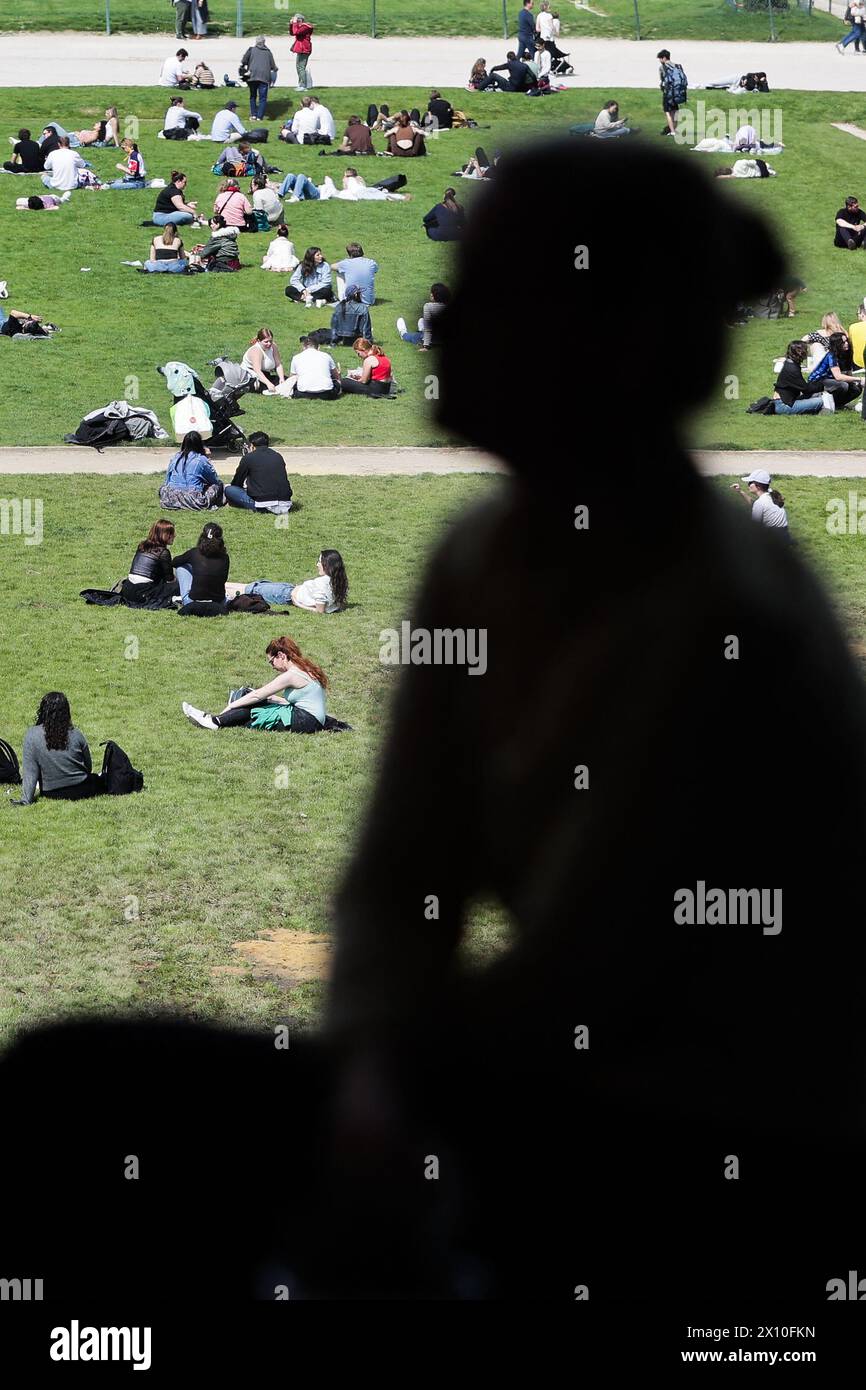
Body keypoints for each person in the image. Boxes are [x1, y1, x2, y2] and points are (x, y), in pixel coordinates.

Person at [324, 136, 866, 1306]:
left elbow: (581, 977)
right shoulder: (476, 557)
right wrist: (368, 1054)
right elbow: (393, 878)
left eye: (491, 290)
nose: (447, 318)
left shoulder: (725, 619)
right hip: (566, 1087)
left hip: (728, 1155)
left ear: (606, 344)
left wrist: (382, 1091)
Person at [183, 635, 329, 733]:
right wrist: (272, 699)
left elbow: (259, 694)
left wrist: (231, 705)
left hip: (306, 721)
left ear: (281, 655)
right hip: (311, 719)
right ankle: (215, 720)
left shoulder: (291, 675)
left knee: (254, 708)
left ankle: (214, 721)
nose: (272, 666)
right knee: (259, 708)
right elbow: (301, 700)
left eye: (271, 661)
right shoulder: (305, 668)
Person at [15, 694, 108, 804]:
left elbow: (30, 772)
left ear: (43, 710)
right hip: (83, 789)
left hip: (52, 793)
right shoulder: (76, 734)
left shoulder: (32, 736)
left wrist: (26, 800)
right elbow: (88, 767)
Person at [229, 549, 348, 610]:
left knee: (249, 589)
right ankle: (218, 584)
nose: (317, 564)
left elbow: (319, 610)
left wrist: (298, 604)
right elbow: (334, 605)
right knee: (252, 586)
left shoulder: (322, 584)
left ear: (327, 565)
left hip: (283, 595)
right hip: (288, 589)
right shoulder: (335, 582)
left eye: (319, 561)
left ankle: (216, 586)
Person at [224, 431, 293, 511]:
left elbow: (237, 483)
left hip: (263, 505)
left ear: (252, 445)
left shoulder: (248, 458)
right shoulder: (278, 456)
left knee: (229, 489)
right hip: (285, 503)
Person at [159, 431, 224, 509]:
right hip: (192, 499)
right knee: (218, 485)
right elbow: (214, 480)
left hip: (169, 497)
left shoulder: (175, 457)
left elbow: (167, 480)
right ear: (200, 444)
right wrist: (207, 460)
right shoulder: (201, 460)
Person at [173, 521, 229, 606]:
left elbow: (175, 562)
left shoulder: (194, 553)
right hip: (219, 602)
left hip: (192, 602)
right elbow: (223, 579)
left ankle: (185, 594)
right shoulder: (225, 557)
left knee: (182, 567)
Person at [122, 519, 179, 602]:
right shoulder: (163, 552)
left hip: (128, 589)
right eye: (171, 533)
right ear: (164, 535)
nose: (174, 535)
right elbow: (169, 579)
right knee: (178, 587)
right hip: (144, 591)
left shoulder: (142, 545)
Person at [806, 330, 863, 409]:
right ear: (837, 344)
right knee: (843, 385)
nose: (846, 343)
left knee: (856, 388)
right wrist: (860, 379)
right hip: (818, 382)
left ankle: (837, 405)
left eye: (846, 341)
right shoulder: (831, 356)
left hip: (832, 381)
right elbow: (838, 377)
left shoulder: (847, 354)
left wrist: (857, 382)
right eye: (843, 342)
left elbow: (848, 373)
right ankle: (828, 404)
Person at [772, 341, 826, 414]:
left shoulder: (790, 363)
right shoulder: (792, 369)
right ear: (799, 352)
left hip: (787, 400)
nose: (807, 352)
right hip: (784, 405)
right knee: (821, 400)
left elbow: (804, 387)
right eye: (805, 350)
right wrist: (823, 385)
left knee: (820, 394)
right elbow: (806, 389)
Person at [730, 470, 789, 535]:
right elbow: (755, 504)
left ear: (758, 486)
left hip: (772, 538)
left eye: (750, 483)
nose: (748, 485)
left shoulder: (760, 503)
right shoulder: (772, 494)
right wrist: (740, 491)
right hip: (784, 534)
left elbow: (754, 527)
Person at [396, 282, 450, 349]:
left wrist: (426, 346)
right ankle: (421, 330)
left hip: (430, 340)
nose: (430, 294)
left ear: (434, 295)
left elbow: (428, 329)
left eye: (432, 292)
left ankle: (403, 332)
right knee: (421, 320)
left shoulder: (428, 306)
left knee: (409, 336)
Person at [289, 334, 341, 398]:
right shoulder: (326, 356)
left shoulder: (296, 357)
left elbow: (292, 378)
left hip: (303, 393)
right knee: (337, 382)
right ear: (318, 347)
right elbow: (336, 375)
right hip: (327, 393)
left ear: (303, 347)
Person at [240, 36, 278, 121]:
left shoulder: (251, 50)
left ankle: (253, 115)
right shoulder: (268, 52)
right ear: (264, 43)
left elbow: (243, 61)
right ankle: (259, 117)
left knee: (253, 96)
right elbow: (273, 66)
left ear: (256, 42)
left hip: (252, 76)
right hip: (264, 77)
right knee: (263, 98)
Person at [241, 328, 285, 393]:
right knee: (269, 387)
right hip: (251, 376)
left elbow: (278, 364)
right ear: (259, 341)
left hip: (265, 374)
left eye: (270, 341)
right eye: (266, 342)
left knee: (287, 381)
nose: (269, 344)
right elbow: (257, 371)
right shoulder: (256, 350)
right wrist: (268, 384)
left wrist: (282, 378)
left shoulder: (273, 346)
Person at [657, 49, 686, 137]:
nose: (660, 61)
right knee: (675, 111)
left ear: (664, 58)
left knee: (668, 113)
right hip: (677, 93)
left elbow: (662, 81)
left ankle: (672, 131)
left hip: (668, 93)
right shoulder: (678, 66)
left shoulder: (662, 67)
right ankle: (675, 129)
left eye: (660, 59)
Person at [290, 14, 315, 91]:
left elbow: (296, 32)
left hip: (304, 49)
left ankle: (303, 86)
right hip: (301, 49)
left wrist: (294, 23)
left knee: (301, 67)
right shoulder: (300, 27)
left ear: (299, 20)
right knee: (299, 67)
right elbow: (292, 33)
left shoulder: (305, 27)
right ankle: (301, 84)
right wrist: (291, 24)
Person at [848, 300, 866, 368]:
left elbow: (850, 344)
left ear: (862, 314)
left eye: (858, 313)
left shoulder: (853, 327)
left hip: (858, 363)